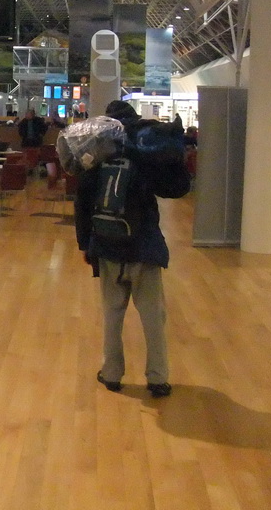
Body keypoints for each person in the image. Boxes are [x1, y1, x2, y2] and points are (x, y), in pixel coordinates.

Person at [75, 100, 187, 399]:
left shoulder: (97, 151)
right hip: (144, 246)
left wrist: (86, 244)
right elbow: (176, 189)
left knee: (112, 315)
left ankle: (111, 374)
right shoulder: (143, 153)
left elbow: (83, 202)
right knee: (153, 317)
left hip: (107, 245)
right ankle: (158, 378)